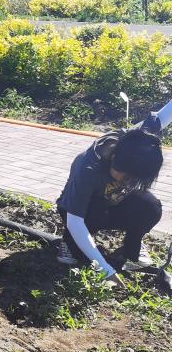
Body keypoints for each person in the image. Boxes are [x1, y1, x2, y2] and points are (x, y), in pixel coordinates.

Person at [56, 100, 172, 276]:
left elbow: (164, 116)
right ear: (114, 159)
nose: (127, 181)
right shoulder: (88, 167)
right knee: (84, 238)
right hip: (82, 210)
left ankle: (131, 250)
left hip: (115, 201)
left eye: (134, 178)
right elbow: (75, 221)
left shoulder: (139, 141)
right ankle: (69, 243)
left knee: (150, 207)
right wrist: (105, 269)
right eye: (125, 176)